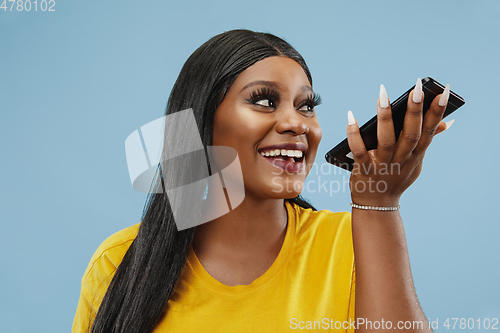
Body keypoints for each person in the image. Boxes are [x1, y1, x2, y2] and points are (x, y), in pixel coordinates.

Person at [72, 29, 451, 332]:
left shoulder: (353, 242)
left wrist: (378, 205)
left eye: (306, 106)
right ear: (202, 122)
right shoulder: (118, 263)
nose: (297, 123)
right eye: (265, 101)